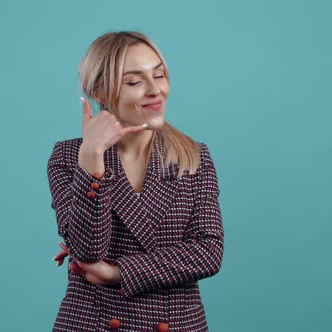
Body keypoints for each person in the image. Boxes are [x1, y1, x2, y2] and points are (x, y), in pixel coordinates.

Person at [47, 31, 224, 332]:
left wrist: (118, 272)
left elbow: (208, 252)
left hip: (178, 324)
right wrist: (92, 157)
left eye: (160, 75)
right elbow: (89, 251)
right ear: (101, 92)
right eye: (134, 81)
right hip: (95, 324)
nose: (156, 90)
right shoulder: (69, 156)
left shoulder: (194, 157)